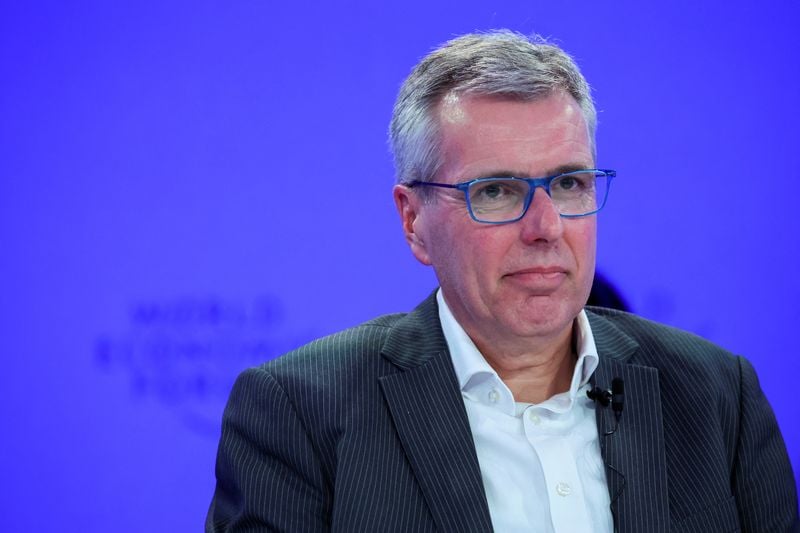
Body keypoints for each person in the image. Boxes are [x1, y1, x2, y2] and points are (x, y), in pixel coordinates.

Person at [206, 30, 798, 532]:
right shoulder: (299, 413)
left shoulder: (718, 394)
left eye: (569, 184)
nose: (546, 227)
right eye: (495, 191)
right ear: (413, 222)